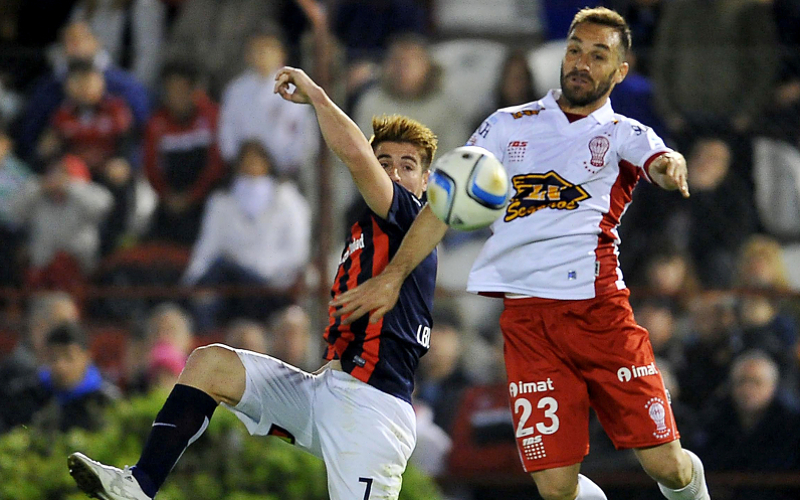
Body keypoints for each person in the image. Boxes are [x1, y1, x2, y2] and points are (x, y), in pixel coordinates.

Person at [330, 8, 711, 500]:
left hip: (600, 313)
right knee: (555, 487)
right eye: (575, 49)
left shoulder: (623, 132)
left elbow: (660, 160)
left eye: (598, 55)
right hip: (528, 322)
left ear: (620, 71)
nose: (581, 62)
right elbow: (443, 204)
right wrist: (394, 275)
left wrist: (671, 166)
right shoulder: (507, 125)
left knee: (668, 467)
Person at [67, 65, 438, 500]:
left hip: (374, 415)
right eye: (385, 162)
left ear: (425, 181)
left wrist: (318, 96)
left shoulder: (412, 218)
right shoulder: (364, 230)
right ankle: (139, 485)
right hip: (327, 393)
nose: (394, 174)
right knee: (210, 364)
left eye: (407, 166)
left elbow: (355, 155)